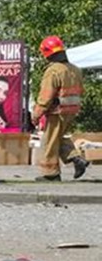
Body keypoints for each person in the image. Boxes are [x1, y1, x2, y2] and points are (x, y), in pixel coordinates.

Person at [32, 35, 89, 181]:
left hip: (57, 111)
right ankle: (77, 160)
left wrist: (36, 114)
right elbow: (81, 91)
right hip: (71, 110)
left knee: (49, 142)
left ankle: (51, 174)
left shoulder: (53, 71)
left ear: (47, 53)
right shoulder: (75, 69)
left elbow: (46, 96)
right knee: (59, 138)